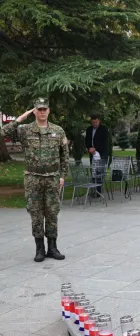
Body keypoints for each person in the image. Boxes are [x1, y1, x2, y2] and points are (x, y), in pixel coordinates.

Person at [1, 98, 68, 262]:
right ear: (34, 111)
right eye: (39, 109)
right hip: (33, 178)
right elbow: (3, 132)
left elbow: (64, 156)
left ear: (49, 110)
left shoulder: (58, 131)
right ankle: (40, 249)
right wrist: (20, 119)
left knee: (52, 213)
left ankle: (52, 247)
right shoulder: (25, 130)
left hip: (52, 178)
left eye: (45, 108)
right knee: (36, 213)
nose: (42, 111)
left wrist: (62, 177)